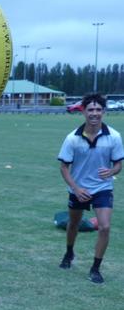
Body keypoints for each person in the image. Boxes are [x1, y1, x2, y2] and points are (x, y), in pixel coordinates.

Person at [57, 93, 124, 283]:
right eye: (90, 110)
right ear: (83, 112)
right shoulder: (72, 139)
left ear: (104, 111)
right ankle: (69, 253)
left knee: (105, 227)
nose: (94, 113)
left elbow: (119, 164)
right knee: (73, 224)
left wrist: (111, 172)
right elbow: (64, 167)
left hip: (102, 188)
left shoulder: (114, 136)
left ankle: (95, 268)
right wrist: (76, 189)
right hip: (79, 189)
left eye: (98, 109)